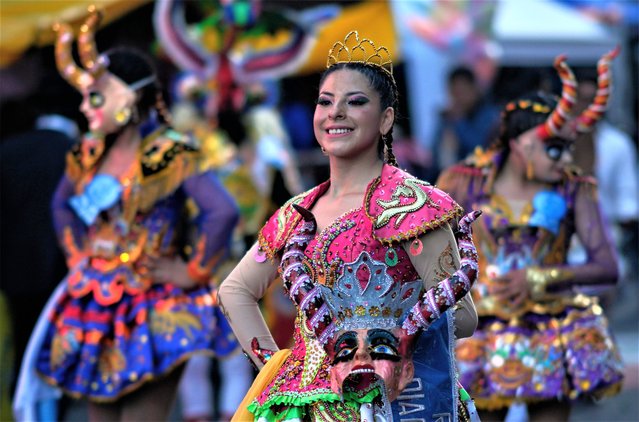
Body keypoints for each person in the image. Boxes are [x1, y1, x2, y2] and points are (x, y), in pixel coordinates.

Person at [219, 30, 478, 420]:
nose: (335, 112)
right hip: (304, 408)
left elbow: (463, 315)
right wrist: (279, 371)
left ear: (386, 119)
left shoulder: (411, 205)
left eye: (355, 102)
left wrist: (391, 334)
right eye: (325, 102)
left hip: (398, 403)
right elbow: (234, 291)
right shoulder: (296, 213)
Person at [13, 11, 239, 422]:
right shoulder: (87, 153)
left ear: (130, 99)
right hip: (95, 306)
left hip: (154, 307)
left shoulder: (169, 153)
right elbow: (60, 207)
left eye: (96, 96)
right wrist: (78, 255)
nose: (85, 106)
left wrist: (192, 271)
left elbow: (222, 211)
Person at [437, 53, 624, 421]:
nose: (565, 158)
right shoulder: (463, 182)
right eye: (556, 148)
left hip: (549, 333)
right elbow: (433, 254)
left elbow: (607, 266)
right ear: (523, 143)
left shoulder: (574, 188)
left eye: (568, 147)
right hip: (480, 337)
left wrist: (540, 277)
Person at [432, 65, 500, 180]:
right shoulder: (448, 117)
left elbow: (478, 147)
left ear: (474, 89)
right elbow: (434, 151)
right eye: (454, 93)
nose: (458, 98)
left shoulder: (490, 115)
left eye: (462, 92)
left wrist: (459, 121)